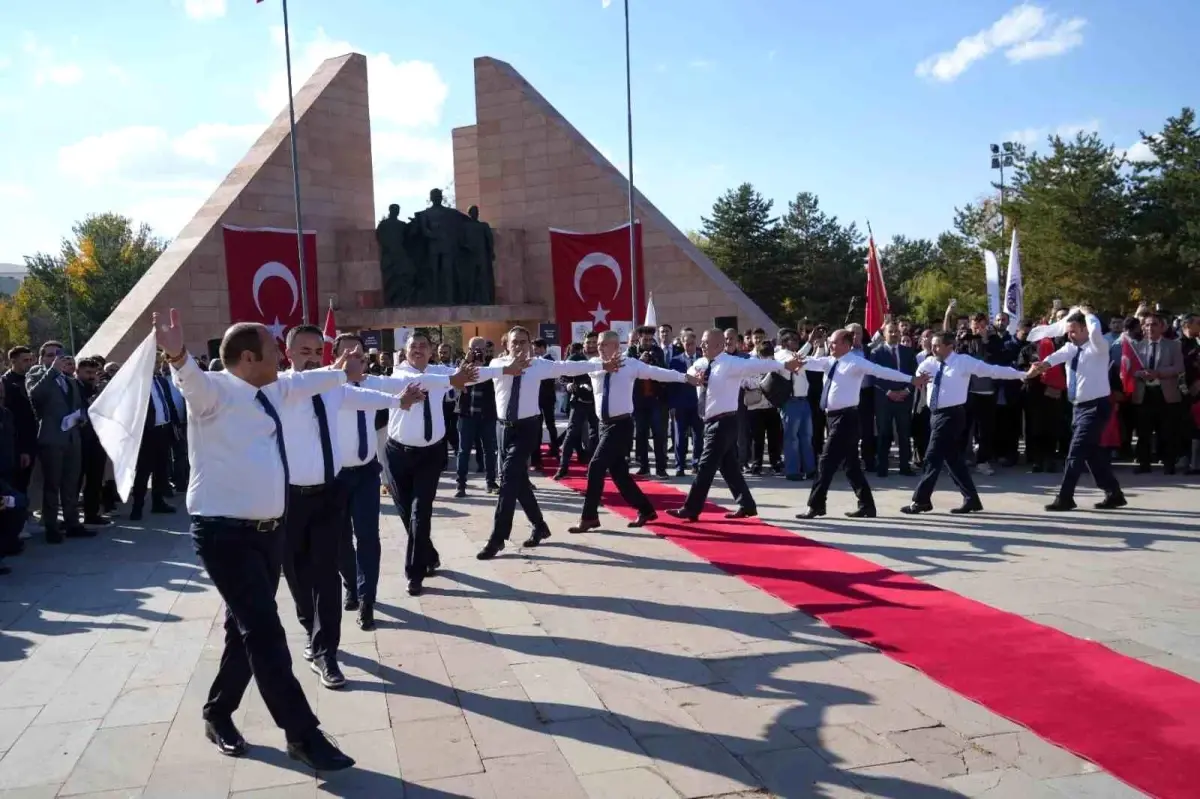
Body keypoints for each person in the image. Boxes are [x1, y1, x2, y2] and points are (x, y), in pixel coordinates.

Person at [156, 309, 354, 770]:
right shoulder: (214, 391)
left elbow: (308, 382)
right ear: (248, 357)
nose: (282, 356)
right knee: (265, 632)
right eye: (273, 348)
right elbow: (189, 380)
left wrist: (341, 368)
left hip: (269, 535)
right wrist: (177, 353)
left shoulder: (272, 389)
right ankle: (302, 735)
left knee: (243, 631)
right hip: (225, 535)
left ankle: (217, 712)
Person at [277, 325, 414, 691]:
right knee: (296, 573)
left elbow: (366, 397)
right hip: (288, 499)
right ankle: (309, 628)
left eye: (314, 349)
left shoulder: (333, 390)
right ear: (288, 352)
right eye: (302, 349)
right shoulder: (280, 387)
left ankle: (326, 653)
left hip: (328, 494)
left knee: (325, 574)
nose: (309, 354)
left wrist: (400, 401)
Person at [332, 333, 456, 629]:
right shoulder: (324, 388)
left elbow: (402, 387)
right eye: (346, 353)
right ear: (335, 356)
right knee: (339, 540)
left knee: (369, 539)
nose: (354, 358)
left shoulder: (377, 381)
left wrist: (496, 371)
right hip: (335, 476)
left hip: (366, 473)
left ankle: (366, 600)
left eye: (359, 354)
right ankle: (351, 583)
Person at [475, 326, 617, 560]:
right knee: (517, 482)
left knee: (508, 479)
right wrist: (506, 370)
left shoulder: (538, 365)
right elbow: (478, 376)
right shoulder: (496, 365)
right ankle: (540, 525)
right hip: (503, 429)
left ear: (530, 345)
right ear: (506, 345)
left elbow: (568, 367)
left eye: (523, 342)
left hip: (527, 428)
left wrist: (601, 364)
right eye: (515, 342)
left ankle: (497, 538)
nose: (519, 346)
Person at [386, 332, 505, 595]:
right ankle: (429, 555)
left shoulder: (441, 372)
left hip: (430, 454)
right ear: (405, 352)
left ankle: (415, 573)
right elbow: (419, 381)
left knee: (421, 514)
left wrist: (504, 369)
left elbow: (476, 376)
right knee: (407, 515)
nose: (417, 350)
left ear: (431, 351)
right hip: (398, 455)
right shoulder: (398, 374)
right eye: (412, 346)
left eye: (422, 346)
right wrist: (453, 379)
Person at [568, 330, 700, 534]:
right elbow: (569, 367)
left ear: (616, 346)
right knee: (619, 474)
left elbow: (656, 372)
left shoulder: (629, 364)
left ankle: (589, 517)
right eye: (599, 345)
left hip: (620, 425)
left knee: (596, 466)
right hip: (604, 425)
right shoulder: (595, 364)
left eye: (604, 344)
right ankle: (645, 510)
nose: (599, 347)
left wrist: (685, 378)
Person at [666, 329, 801, 522]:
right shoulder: (701, 362)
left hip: (724, 422)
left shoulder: (731, 363)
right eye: (702, 343)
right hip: (710, 422)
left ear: (719, 345)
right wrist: (693, 377)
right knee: (729, 468)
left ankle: (691, 508)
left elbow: (758, 364)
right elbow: (689, 373)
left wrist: (785, 364)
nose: (702, 346)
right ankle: (746, 505)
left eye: (706, 343)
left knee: (705, 466)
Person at [797, 329, 927, 520]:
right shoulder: (830, 361)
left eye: (833, 342)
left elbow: (882, 371)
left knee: (825, 462)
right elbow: (803, 361)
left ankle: (816, 505)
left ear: (846, 344)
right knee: (851, 466)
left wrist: (911, 379)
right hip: (831, 417)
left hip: (846, 418)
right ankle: (867, 506)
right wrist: (805, 346)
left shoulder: (855, 362)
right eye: (830, 342)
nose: (829, 345)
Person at [901, 332, 1029, 514]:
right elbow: (918, 375)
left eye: (937, 345)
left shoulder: (963, 362)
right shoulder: (930, 362)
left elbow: (992, 370)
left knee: (932, 457)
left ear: (949, 346)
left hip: (952, 415)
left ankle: (921, 500)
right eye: (932, 345)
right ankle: (972, 499)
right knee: (953, 460)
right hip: (935, 414)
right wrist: (918, 378)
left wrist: (1020, 374)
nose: (933, 348)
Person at [1028, 308, 1128, 511]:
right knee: (1092, 453)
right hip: (1078, 407)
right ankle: (1114, 493)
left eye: (1074, 331)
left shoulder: (1098, 347)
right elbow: (1053, 358)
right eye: (1068, 331)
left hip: (1096, 406)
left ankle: (1065, 497)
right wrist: (1040, 366)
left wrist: (1087, 313)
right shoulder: (1070, 348)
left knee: (1075, 452)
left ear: (1085, 330)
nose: (1069, 334)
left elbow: (1096, 329)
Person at [26, 341, 89, 542]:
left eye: (58, 355)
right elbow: (35, 395)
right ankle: (52, 527)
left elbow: (80, 405)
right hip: (51, 439)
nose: (55, 359)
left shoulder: (70, 381)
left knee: (71, 485)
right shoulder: (36, 375)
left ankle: (72, 523)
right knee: (52, 485)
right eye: (50, 355)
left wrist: (82, 418)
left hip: (72, 438)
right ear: (42, 358)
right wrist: (51, 371)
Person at [454, 337, 499, 497]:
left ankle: (491, 482)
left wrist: (482, 363)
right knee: (463, 450)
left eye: (480, 348)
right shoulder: (464, 364)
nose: (478, 351)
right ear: (469, 348)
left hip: (487, 414)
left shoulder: (492, 364)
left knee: (489, 450)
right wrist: (467, 361)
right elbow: (455, 378)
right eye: (474, 348)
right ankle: (461, 485)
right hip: (466, 414)